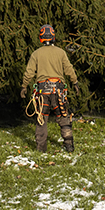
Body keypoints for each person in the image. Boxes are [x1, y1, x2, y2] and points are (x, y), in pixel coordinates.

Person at [20, 24, 80, 153]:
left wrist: (24, 86)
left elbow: (29, 72)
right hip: (58, 91)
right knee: (64, 117)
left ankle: (41, 149)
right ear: (53, 37)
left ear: (41, 37)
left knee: (41, 119)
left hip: (42, 92)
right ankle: (69, 146)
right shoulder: (61, 52)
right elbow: (69, 69)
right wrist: (75, 82)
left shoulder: (36, 53)